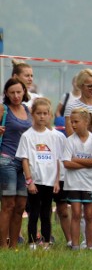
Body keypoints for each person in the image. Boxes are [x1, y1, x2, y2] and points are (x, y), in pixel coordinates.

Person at [17, 98, 62, 249]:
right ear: (33, 114)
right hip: (35, 181)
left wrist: (56, 181)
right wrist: (29, 181)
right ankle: (32, 243)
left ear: (49, 115)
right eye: (38, 113)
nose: (42, 116)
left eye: (45, 113)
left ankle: (46, 242)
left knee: (46, 213)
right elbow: (25, 160)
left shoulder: (54, 136)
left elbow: (57, 159)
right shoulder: (27, 136)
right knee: (34, 212)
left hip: (49, 181)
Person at [62, 108, 92, 250]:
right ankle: (75, 245)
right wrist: (86, 163)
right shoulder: (69, 141)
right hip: (73, 184)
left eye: (76, 122)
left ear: (86, 122)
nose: (73, 125)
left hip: (90, 184)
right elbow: (66, 163)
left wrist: (76, 160)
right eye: (71, 122)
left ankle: (90, 244)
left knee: (90, 215)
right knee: (76, 214)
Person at [0, 78, 33, 248]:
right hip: (7, 160)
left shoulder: (27, 110)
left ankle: (14, 244)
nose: (16, 95)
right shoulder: (3, 109)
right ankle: (2, 245)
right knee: (8, 204)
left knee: (20, 205)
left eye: (19, 92)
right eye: (12, 92)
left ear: (24, 92)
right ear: (6, 93)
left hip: (25, 163)